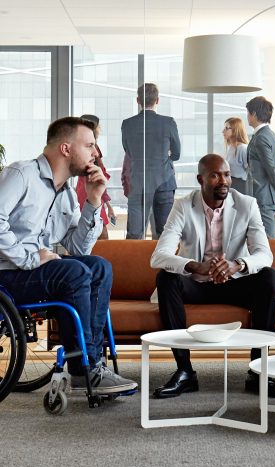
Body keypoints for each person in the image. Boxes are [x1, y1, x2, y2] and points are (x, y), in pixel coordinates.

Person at [0, 117, 137, 395]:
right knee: (73, 271)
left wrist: (94, 200)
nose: (95, 154)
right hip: (8, 273)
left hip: (37, 272)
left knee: (98, 267)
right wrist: (29, 258)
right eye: (89, 146)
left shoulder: (66, 195)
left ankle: (93, 362)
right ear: (65, 149)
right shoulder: (21, 174)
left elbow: (78, 249)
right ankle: (83, 368)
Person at [150, 153, 275, 399]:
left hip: (234, 283)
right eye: (215, 175)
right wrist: (195, 266)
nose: (223, 180)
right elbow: (159, 256)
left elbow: (264, 254)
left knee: (269, 277)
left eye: (226, 174)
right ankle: (184, 371)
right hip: (197, 285)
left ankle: (258, 371)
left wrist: (237, 265)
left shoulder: (247, 204)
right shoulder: (183, 205)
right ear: (200, 179)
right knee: (166, 278)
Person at [122, 82, 181, 239]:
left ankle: (133, 264)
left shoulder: (127, 124)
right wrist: (166, 156)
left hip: (138, 183)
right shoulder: (168, 122)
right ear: (158, 100)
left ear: (138, 100)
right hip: (164, 183)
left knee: (134, 234)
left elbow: (128, 151)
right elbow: (177, 153)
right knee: (165, 234)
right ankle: (162, 264)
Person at [246, 96, 275, 238]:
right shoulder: (270, 135)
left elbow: (272, 168)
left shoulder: (261, 137)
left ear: (254, 114)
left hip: (263, 196)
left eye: (248, 113)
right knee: (261, 238)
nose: (247, 117)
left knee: (267, 240)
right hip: (268, 196)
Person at [75, 114, 115, 240]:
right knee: (101, 238)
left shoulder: (84, 147)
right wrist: (108, 206)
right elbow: (98, 179)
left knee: (88, 235)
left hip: (85, 194)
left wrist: (108, 205)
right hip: (89, 194)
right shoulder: (92, 149)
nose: (100, 129)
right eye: (99, 126)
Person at [222, 117, 251, 195]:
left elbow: (250, 171)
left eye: (226, 128)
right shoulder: (230, 148)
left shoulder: (243, 148)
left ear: (235, 130)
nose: (223, 131)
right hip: (230, 185)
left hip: (240, 187)